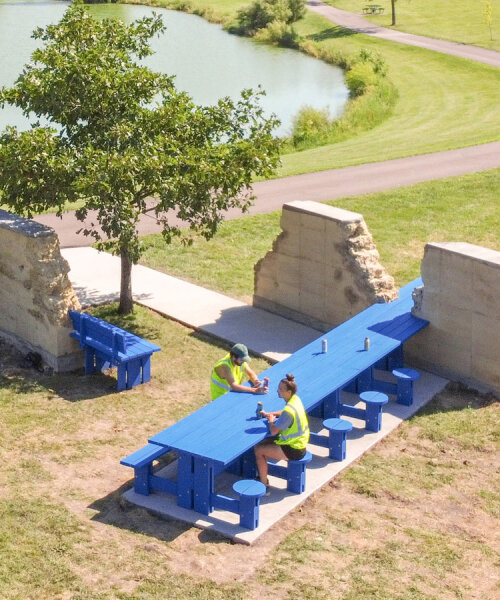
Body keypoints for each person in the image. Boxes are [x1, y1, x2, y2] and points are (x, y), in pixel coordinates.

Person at [254, 373, 310, 489]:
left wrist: (270, 421)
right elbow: (284, 412)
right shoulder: (295, 399)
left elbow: (274, 431)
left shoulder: (289, 411)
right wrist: (272, 414)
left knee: (258, 449)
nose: (278, 391)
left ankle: (264, 484)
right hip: (300, 443)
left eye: (281, 389)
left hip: (293, 449)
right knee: (262, 443)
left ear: (288, 392)